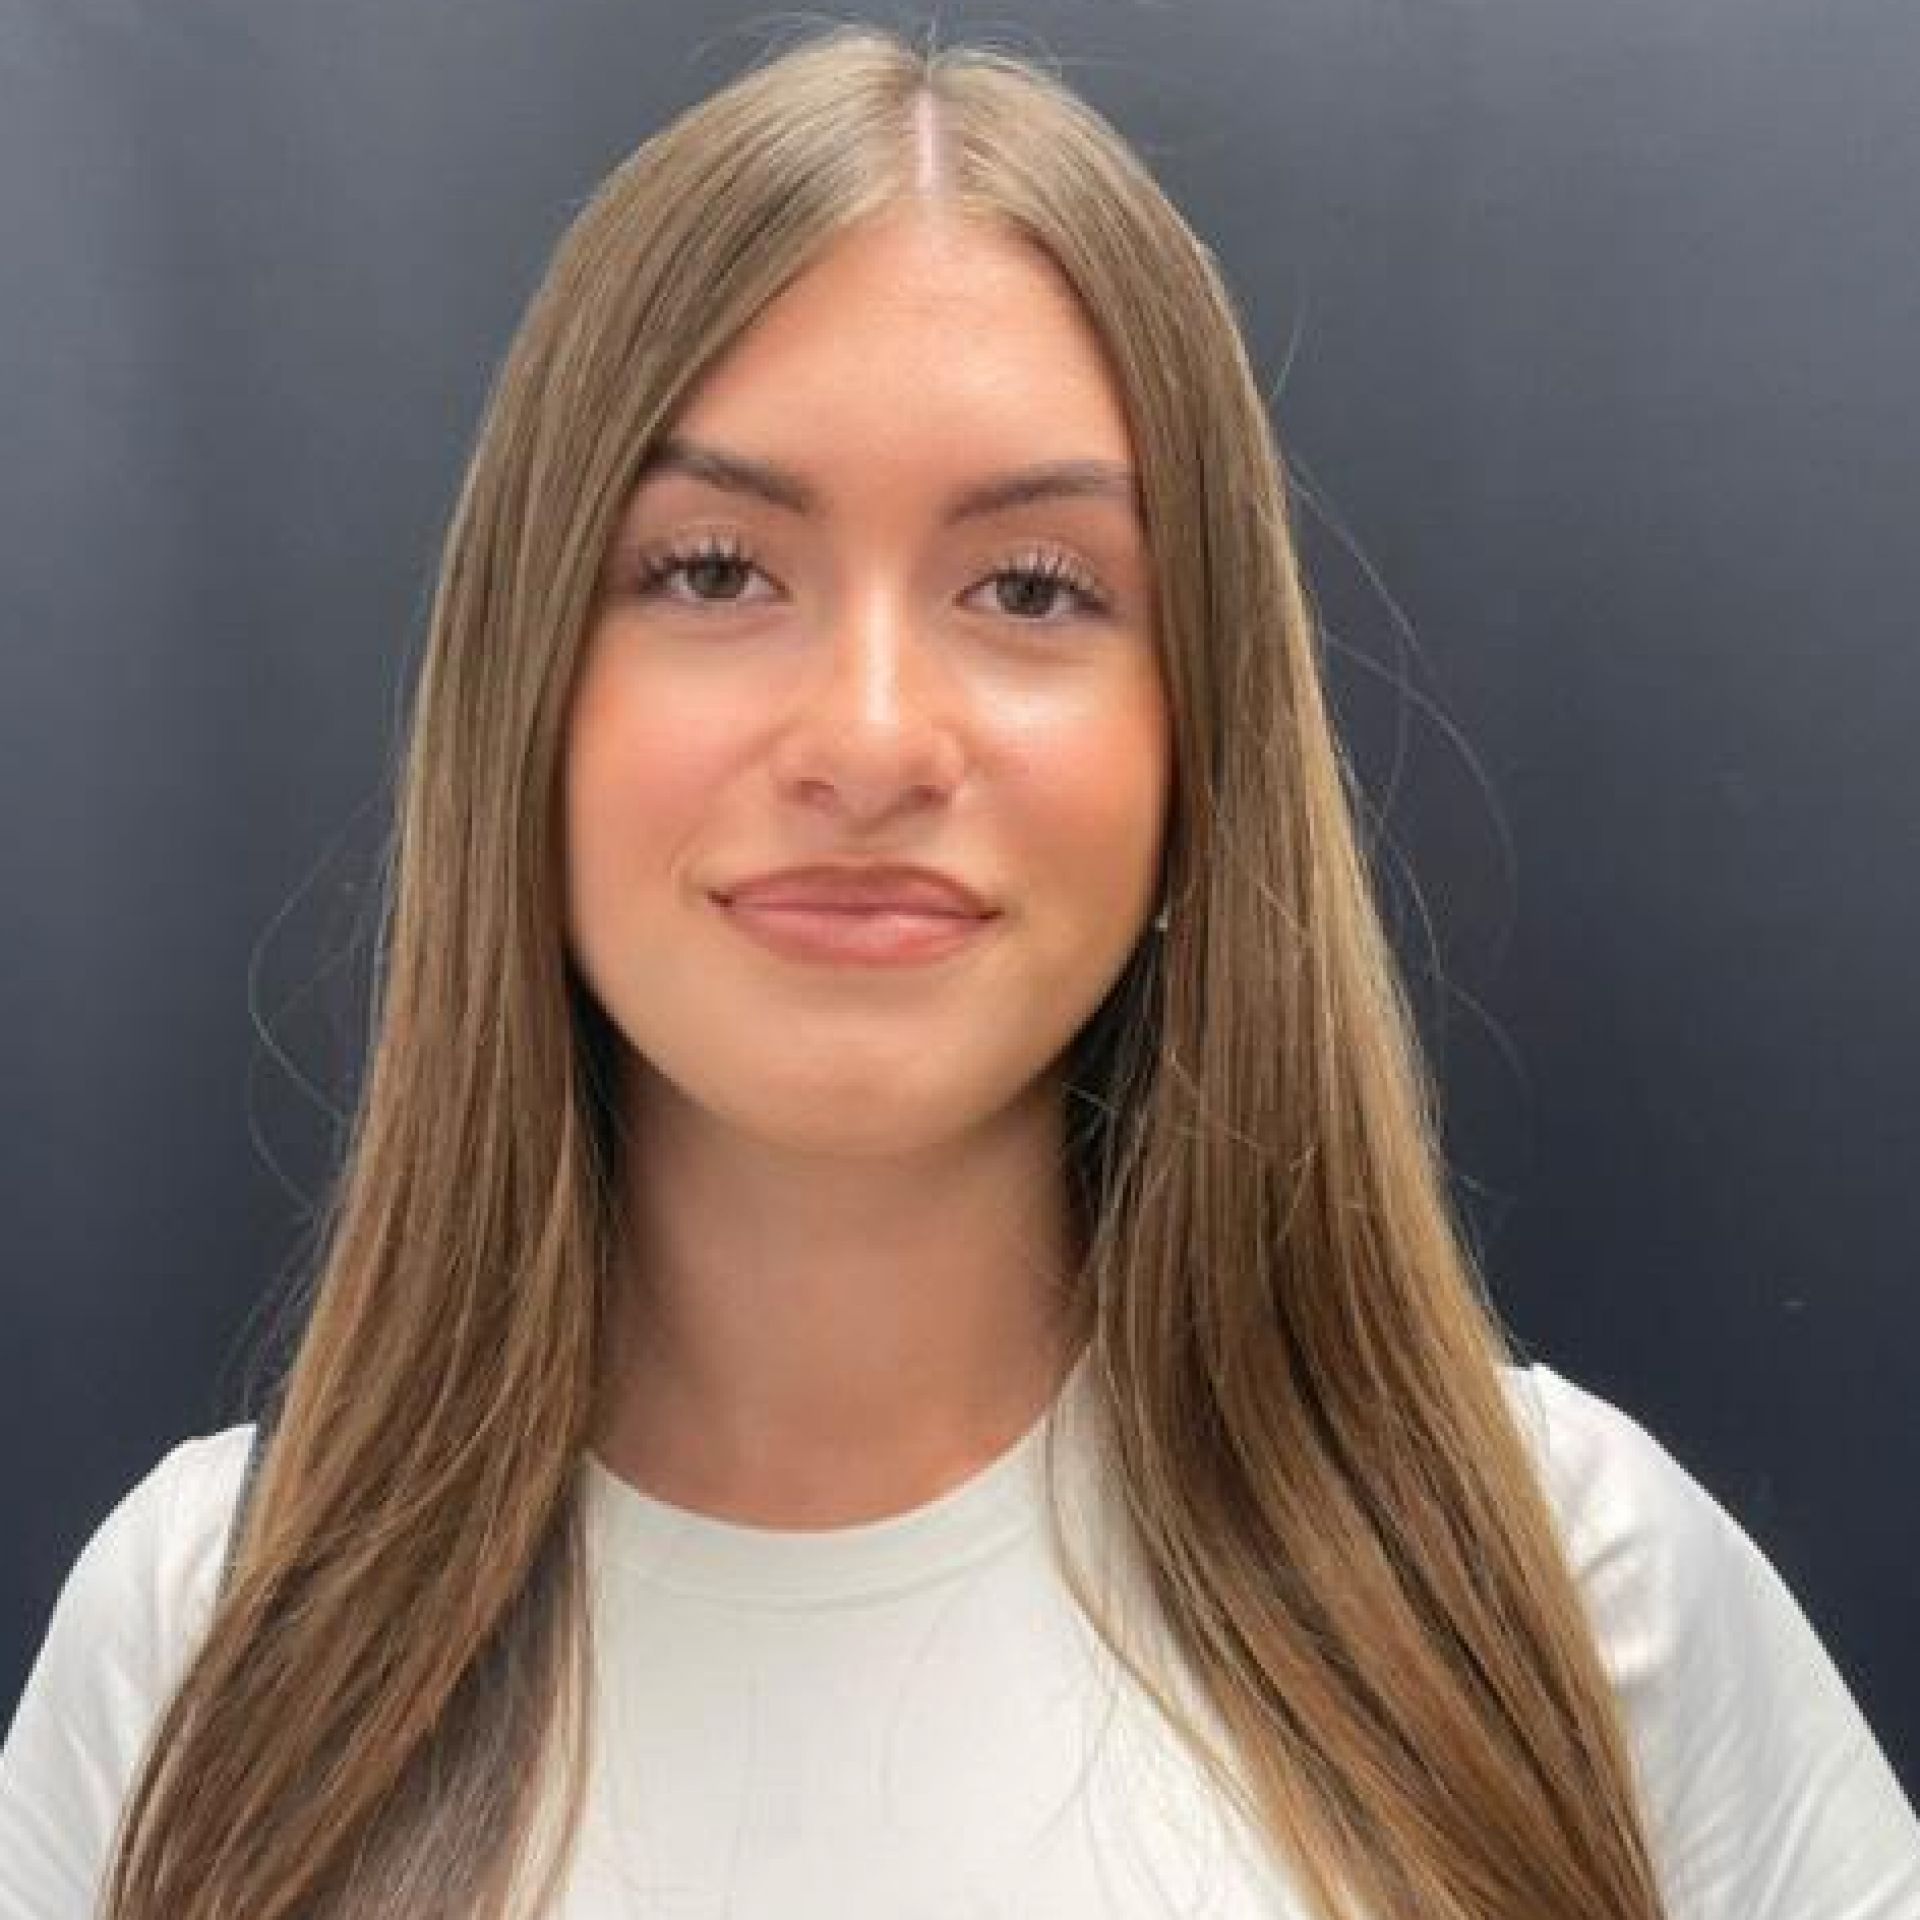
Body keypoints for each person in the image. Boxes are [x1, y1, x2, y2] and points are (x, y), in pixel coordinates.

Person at [3, 21, 1917, 1920]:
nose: (869, 738)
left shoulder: (1574, 1604)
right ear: (529, 693)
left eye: (1031, 588)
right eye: (714, 570)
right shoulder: (196, 1649)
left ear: (1198, 739)